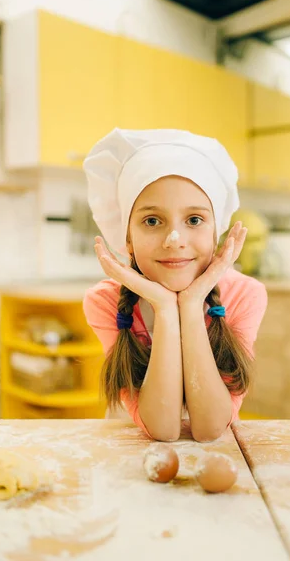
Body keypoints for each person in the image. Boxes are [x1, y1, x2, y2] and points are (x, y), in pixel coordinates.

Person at [83, 128, 267, 442]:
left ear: (215, 230)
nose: (175, 240)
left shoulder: (244, 295)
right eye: (152, 221)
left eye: (194, 220)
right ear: (127, 237)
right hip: (131, 459)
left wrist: (192, 305)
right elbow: (163, 429)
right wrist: (166, 309)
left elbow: (210, 428)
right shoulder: (105, 301)